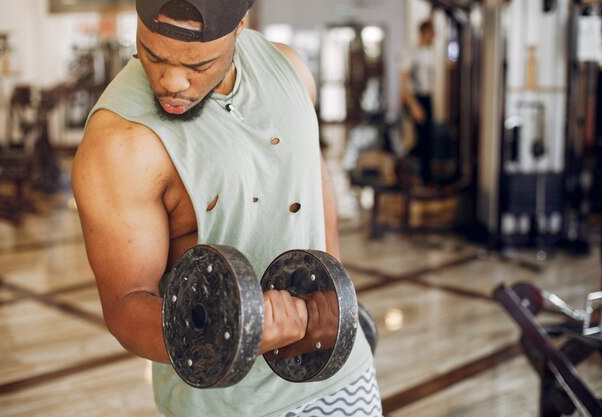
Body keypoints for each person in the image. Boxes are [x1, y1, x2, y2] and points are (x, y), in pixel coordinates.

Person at [72, 1, 381, 416]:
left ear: (239, 25)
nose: (172, 81)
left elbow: (314, 180)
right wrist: (236, 332)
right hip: (229, 407)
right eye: (153, 54)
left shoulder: (289, 69)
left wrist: (332, 310)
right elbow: (126, 305)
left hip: (345, 379)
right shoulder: (121, 141)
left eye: (198, 66)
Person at [400, 19, 436, 186]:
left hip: (428, 97)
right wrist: (413, 105)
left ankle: (426, 177)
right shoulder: (412, 52)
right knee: (420, 141)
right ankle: (420, 177)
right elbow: (404, 80)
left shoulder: (429, 51)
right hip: (417, 99)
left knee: (427, 139)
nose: (434, 36)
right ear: (425, 32)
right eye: (432, 33)